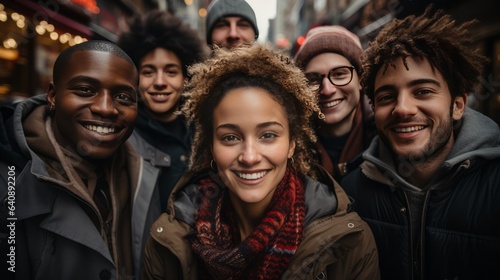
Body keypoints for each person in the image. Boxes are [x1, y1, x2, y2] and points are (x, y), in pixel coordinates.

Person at [141, 43, 380, 280]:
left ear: (292, 144)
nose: (249, 156)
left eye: (268, 135)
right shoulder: (168, 242)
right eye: (230, 137)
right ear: (211, 147)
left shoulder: (350, 243)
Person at [341, 6, 500, 280]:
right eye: (387, 96)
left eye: (423, 91)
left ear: (458, 105)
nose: (403, 109)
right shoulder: (350, 194)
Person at [0, 40, 139, 279]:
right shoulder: (8, 184)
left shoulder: (141, 173)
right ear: (53, 96)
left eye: (123, 96)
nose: (106, 108)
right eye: (85, 90)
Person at [116, 10, 206, 275]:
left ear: (185, 79)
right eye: (148, 71)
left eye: (170, 71)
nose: (159, 82)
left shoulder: (202, 133)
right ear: (134, 78)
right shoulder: (119, 137)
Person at [294, 25, 376, 181]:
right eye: (313, 79)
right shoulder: (288, 146)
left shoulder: (389, 137)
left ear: (361, 79)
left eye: (339, 74)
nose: (327, 90)